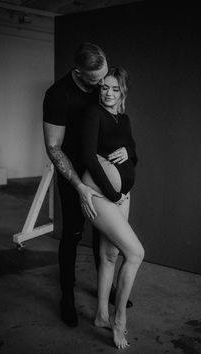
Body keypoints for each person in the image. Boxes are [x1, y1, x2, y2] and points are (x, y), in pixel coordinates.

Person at [42, 43, 132, 328]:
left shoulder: (101, 85)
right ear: (78, 72)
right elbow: (53, 148)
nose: (102, 89)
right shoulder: (57, 95)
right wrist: (80, 186)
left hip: (102, 172)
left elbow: (117, 117)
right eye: (97, 82)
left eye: (105, 80)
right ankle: (67, 296)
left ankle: (105, 292)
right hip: (75, 175)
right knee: (72, 232)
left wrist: (126, 151)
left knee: (103, 237)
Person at [81, 66, 144, 349]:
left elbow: (134, 151)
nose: (108, 93)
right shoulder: (94, 114)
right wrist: (113, 193)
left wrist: (128, 152)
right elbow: (88, 158)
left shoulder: (124, 118)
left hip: (121, 195)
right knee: (136, 253)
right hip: (100, 192)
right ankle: (119, 322)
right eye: (104, 87)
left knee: (110, 255)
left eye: (114, 88)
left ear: (122, 92)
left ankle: (101, 316)